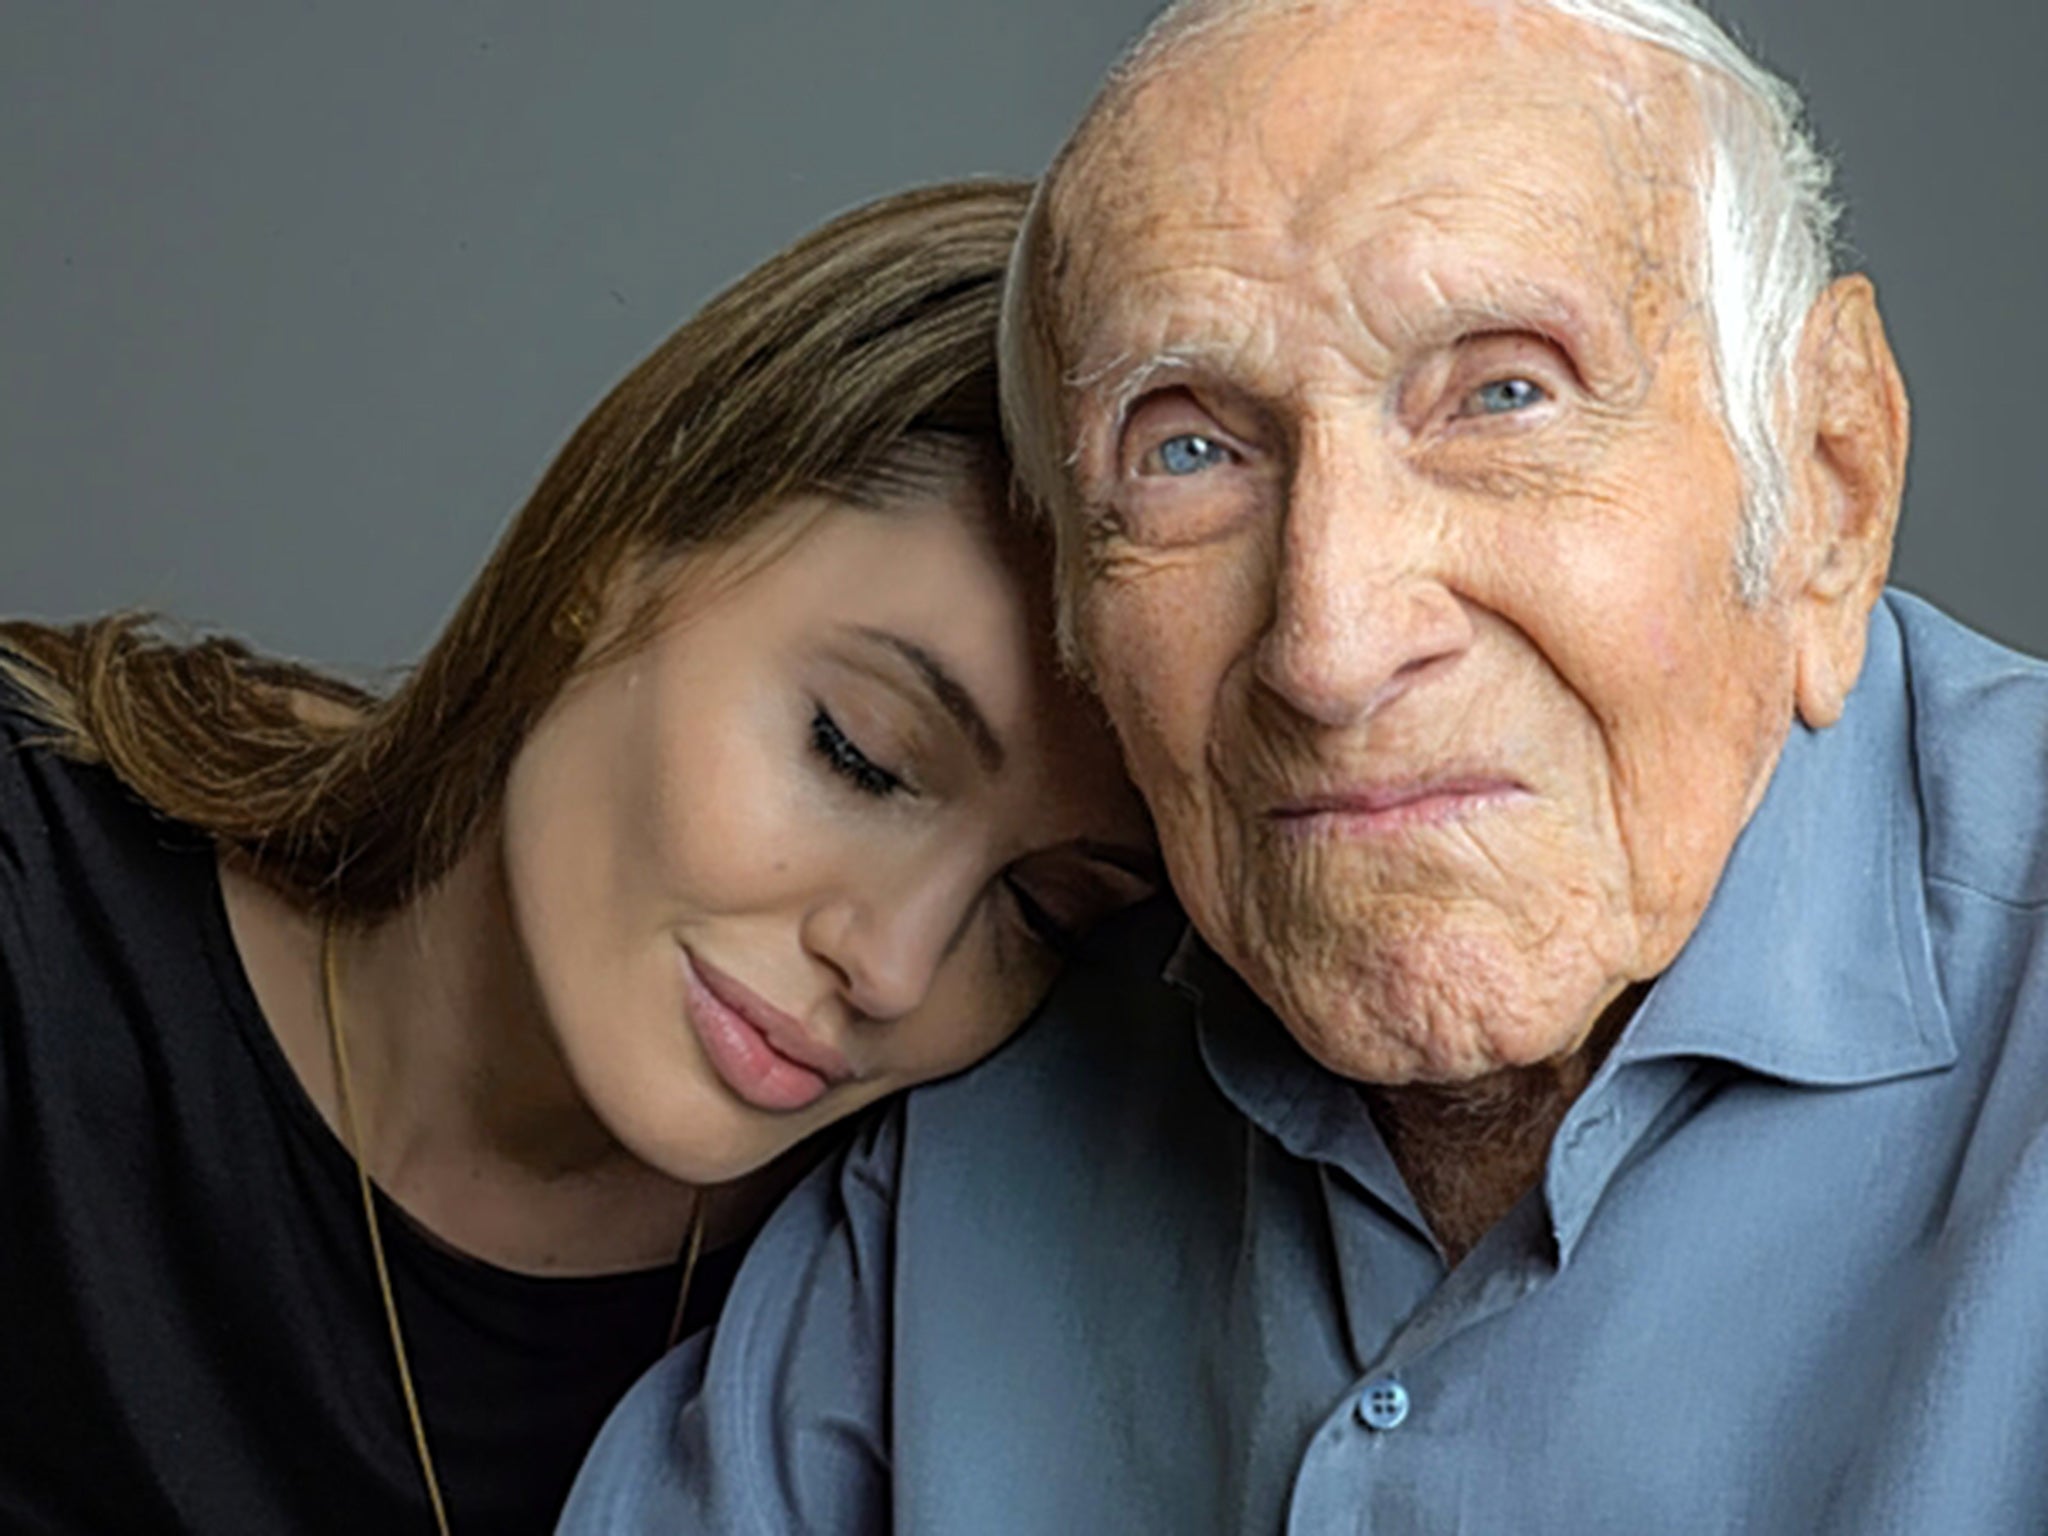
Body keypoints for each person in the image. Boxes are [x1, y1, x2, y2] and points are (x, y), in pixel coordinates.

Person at [559, 2, 2048, 1532]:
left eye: (1502, 392)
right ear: (1071, 597)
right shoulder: (984, 1098)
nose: (1330, 647)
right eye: (1188, 449)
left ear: (1829, 487)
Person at [0, 178, 1155, 1535]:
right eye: (860, 754)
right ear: (623, 545)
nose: (894, 965)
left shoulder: (922, 1274)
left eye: (1042, 908)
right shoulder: (37, 904)